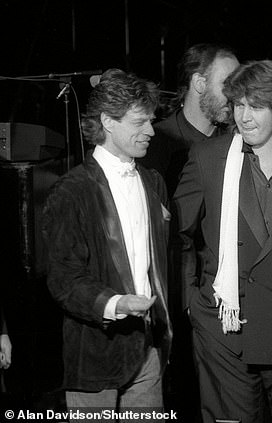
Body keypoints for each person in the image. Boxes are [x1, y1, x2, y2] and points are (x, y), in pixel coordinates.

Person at [173, 60, 272, 423]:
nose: (245, 117)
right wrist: (191, 302)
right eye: (238, 105)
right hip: (225, 328)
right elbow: (179, 235)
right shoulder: (207, 158)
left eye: (256, 105)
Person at [43, 69, 172, 419]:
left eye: (151, 121)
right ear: (108, 122)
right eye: (139, 122)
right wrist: (116, 303)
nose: (150, 131)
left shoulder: (152, 182)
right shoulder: (71, 191)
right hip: (96, 355)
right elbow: (63, 278)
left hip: (149, 353)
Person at [139, 43, 240, 196]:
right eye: (227, 84)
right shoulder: (156, 142)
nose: (235, 94)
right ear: (199, 83)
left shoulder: (237, 139)